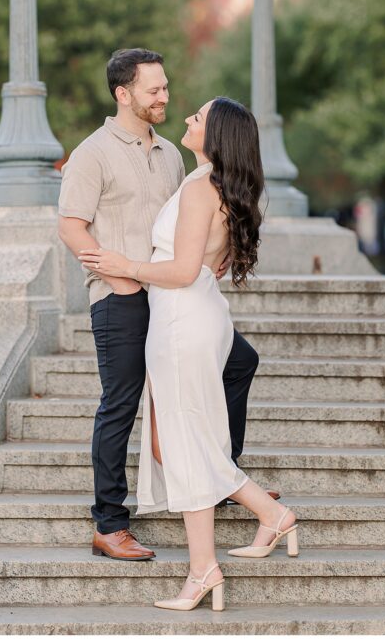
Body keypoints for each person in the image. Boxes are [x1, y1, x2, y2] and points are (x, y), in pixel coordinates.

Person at [79, 96, 298, 612]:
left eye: (197, 117)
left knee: (184, 445)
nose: (186, 120)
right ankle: (265, 518)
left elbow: (179, 270)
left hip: (182, 320)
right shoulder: (211, 183)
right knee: (176, 444)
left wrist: (123, 263)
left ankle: (207, 568)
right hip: (193, 314)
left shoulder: (202, 187)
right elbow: (199, 262)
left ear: (216, 134)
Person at [58, 49, 277, 564]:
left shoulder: (171, 155)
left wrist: (210, 254)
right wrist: (119, 277)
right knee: (121, 402)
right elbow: (71, 227)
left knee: (239, 361)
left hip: (170, 292)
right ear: (123, 94)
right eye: (154, 90)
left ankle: (219, 472)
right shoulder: (92, 153)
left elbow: (189, 221)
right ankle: (110, 523)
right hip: (123, 296)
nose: (164, 98)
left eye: (165, 88)